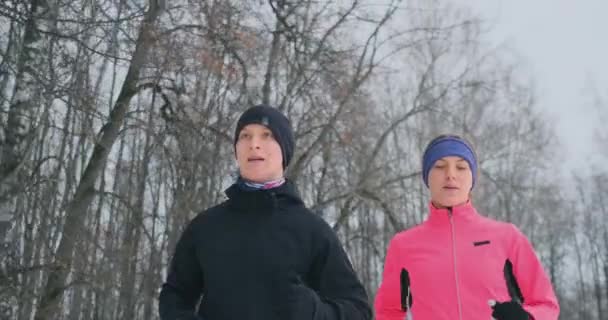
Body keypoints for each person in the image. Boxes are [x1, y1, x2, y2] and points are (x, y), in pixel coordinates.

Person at [159, 104, 372, 320]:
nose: (254, 144)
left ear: (284, 150)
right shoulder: (206, 228)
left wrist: (313, 312)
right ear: (236, 149)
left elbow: (358, 311)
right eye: (245, 136)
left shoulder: (313, 231)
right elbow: (174, 297)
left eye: (267, 135)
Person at [373, 134, 559, 320]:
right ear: (427, 177)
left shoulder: (507, 237)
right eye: (439, 166)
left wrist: (528, 317)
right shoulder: (403, 246)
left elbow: (546, 304)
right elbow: (388, 312)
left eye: (461, 167)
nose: (451, 175)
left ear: (472, 178)